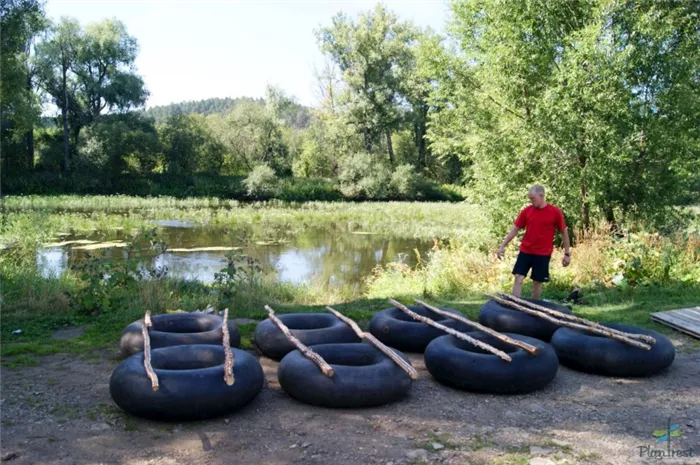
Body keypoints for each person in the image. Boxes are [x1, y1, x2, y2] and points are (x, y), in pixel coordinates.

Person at [497, 185, 571, 300]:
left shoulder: (555, 212)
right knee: (518, 277)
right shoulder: (526, 211)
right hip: (526, 250)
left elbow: (564, 233)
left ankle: (534, 308)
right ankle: (515, 305)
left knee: (537, 282)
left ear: (541, 196)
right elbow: (514, 229)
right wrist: (502, 246)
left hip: (543, 253)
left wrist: (567, 254)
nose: (531, 201)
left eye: (533, 198)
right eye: (530, 199)